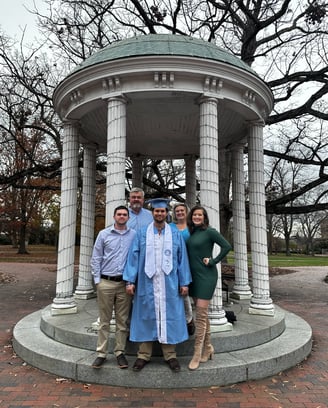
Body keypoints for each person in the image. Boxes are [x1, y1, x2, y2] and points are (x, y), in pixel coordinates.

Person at [123, 198, 192, 372]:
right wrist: (130, 280)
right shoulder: (142, 233)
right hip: (147, 283)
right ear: (152, 213)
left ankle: (170, 355)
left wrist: (184, 282)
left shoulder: (175, 234)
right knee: (146, 316)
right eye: (156, 211)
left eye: (162, 211)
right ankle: (143, 355)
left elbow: (182, 259)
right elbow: (134, 257)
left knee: (169, 316)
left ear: (166, 213)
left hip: (169, 283)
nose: (159, 214)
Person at [186, 205, 232, 371]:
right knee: (203, 316)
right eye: (195, 215)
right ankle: (209, 348)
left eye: (200, 215)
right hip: (193, 277)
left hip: (206, 276)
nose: (197, 217)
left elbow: (227, 246)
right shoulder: (192, 233)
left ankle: (197, 353)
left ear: (204, 217)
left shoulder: (210, 232)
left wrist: (213, 261)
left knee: (200, 315)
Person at [90, 205, 136, 369]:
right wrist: (97, 281)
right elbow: (96, 258)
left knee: (122, 321)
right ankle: (101, 353)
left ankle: (119, 352)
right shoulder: (104, 234)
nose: (122, 216)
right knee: (104, 321)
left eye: (125, 214)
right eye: (119, 214)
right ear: (114, 216)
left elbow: (135, 258)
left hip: (124, 284)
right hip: (106, 282)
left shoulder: (134, 235)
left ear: (128, 217)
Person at [171, 203, 195, 336]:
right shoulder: (170, 227)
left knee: (185, 293)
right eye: (177, 211)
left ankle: (189, 319)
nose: (179, 213)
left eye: (182, 210)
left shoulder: (192, 228)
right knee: (176, 292)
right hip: (174, 264)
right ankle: (178, 319)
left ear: (187, 212)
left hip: (189, 263)